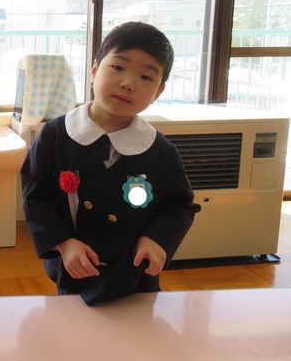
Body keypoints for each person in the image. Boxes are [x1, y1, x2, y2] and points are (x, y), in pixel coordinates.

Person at [21, 21, 200, 305]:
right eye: (118, 67)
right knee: (75, 327)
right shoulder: (56, 134)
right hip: (75, 268)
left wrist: (156, 239)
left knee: (136, 329)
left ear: (159, 92)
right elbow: (36, 195)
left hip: (135, 272)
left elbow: (180, 204)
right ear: (94, 71)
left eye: (146, 77)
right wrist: (64, 243)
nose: (128, 83)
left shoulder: (159, 150)